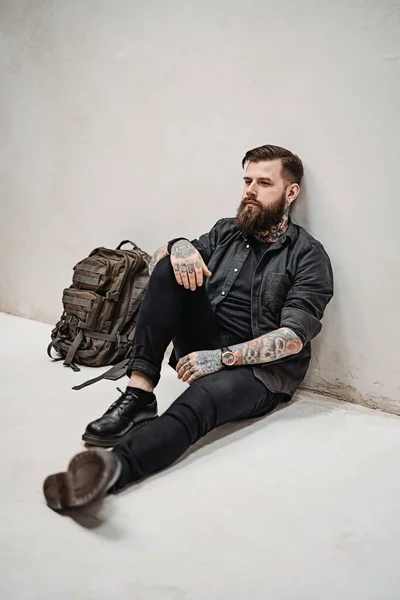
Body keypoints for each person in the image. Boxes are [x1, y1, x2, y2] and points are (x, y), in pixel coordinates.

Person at [43, 144, 334, 511]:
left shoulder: (308, 255)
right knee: (171, 267)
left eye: (264, 183)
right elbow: (159, 262)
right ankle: (139, 395)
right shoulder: (227, 231)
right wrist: (179, 246)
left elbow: (293, 338)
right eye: (247, 181)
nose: (251, 191)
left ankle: (115, 468)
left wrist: (222, 359)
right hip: (205, 342)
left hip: (259, 372)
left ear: (290, 193)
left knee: (200, 402)